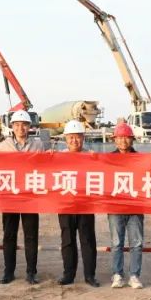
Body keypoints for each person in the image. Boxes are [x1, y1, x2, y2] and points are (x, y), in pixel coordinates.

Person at [0, 110, 44, 285]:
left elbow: (46, 167)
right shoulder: (4, 146)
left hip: (30, 197)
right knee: (9, 235)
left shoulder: (37, 145)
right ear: (12, 127)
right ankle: (8, 271)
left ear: (29, 127)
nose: (20, 128)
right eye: (17, 125)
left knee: (31, 236)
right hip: (10, 196)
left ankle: (31, 272)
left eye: (24, 125)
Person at [57, 121, 99, 287]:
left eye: (78, 137)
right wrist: (48, 156)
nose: (74, 140)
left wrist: (97, 159)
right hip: (65, 205)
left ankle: (90, 275)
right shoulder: (58, 157)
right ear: (66, 139)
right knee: (67, 240)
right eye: (71, 137)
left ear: (83, 138)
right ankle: (68, 274)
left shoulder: (90, 156)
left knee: (87, 240)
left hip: (85, 205)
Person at [107, 122, 145, 289]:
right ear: (115, 140)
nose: (123, 141)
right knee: (117, 243)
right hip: (115, 208)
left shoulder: (141, 159)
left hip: (135, 208)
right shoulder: (108, 159)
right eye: (120, 138)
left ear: (132, 139)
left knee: (136, 243)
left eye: (127, 138)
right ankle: (117, 274)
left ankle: (134, 275)